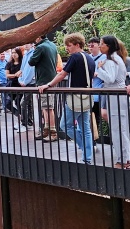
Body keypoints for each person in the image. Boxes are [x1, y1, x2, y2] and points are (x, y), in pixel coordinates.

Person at [38, 33, 95, 163]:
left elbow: (63, 74)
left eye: (69, 45)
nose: (67, 48)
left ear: (77, 45)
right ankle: (87, 156)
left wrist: (48, 84)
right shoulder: (90, 58)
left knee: (65, 125)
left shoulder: (75, 57)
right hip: (87, 96)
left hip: (74, 97)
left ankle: (85, 149)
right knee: (85, 128)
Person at [95, 36, 130, 169]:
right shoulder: (117, 59)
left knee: (118, 129)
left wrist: (99, 70)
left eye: (102, 44)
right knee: (121, 129)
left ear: (109, 46)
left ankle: (122, 160)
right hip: (118, 96)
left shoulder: (111, 61)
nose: (100, 46)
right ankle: (125, 158)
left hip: (116, 96)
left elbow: (110, 79)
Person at [28, 34, 59, 140]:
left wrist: (34, 50)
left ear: (39, 37)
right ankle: (47, 131)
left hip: (44, 81)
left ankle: (52, 133)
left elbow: (31, 62)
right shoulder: (52, 45)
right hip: (51, 79)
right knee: (46, 107)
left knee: (48, 108)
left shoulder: (40, 47)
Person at [88, 37, 105, 143]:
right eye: (89, 45)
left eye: (92, 45)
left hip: (99, 90)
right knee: (90, 116)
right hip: (89, 91)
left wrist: (98, 74)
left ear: (98, 45)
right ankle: (91, 139)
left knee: (97, 115)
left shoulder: (104, 58)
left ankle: (94, 138)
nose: (90, 47)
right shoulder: (88, 57)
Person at [19, 44, 36, 128]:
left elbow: (31, 69)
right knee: (28, 102)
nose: (25, 45)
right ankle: (29, 121)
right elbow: (23, 69)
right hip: (26, 81)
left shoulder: (33, 53)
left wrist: (24, 81)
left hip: (30, 82)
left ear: (32, 44)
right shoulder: (25, 54)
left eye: (27, 43)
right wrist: (21, 79)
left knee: (24, 102)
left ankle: (24, 123)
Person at [5, 48, 24, 119]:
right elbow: (7, 75)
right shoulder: (9, 63)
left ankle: (23, 118)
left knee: (18, 102)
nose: (14, 54)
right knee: (7, 103)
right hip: (11, 85)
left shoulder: (22, 63)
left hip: (20, 85)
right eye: (12, 53)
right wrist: (15, 75)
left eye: (15, 53)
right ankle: (18, 115)